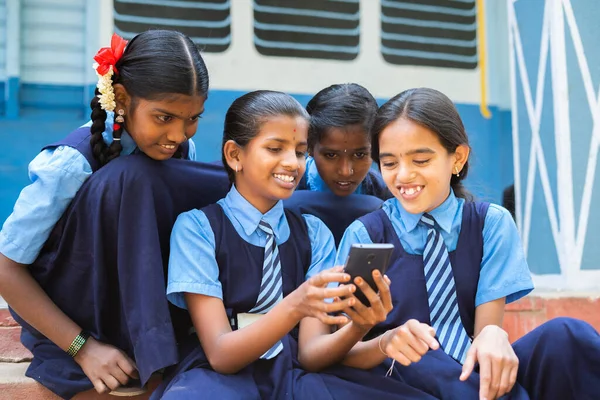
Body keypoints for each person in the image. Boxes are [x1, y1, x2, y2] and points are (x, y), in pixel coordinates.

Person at [334, 87, 600, 400]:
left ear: (458, 158)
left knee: (568, 335)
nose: (403, 176)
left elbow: (485, 336)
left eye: (420, 159)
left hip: (467, 374)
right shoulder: (367, 235)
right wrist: (387, 342)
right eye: (389, 164)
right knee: (426, 357)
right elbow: (343, 350)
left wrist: (492, 335)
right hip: (403, 380)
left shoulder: (491, 224)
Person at [0, 29, 213, 398]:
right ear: (123, 98)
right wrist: (83, 348)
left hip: (138, 310)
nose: (178, 135)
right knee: (129, 177)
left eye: (192, 118)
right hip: (76, 319)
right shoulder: (71, 163)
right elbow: (5, 267)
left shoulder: (182, 149)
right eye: (164, 117)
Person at [296, 83, 391, 200]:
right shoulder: (287, 190)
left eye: (359, 155)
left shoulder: (386, 195)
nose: (345, 171)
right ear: (309, 147)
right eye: (331, 155)